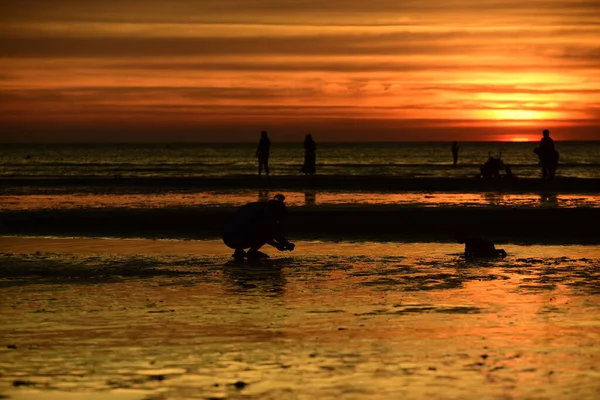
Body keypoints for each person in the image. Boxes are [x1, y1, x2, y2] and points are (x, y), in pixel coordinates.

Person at [222, 194, 295, 261]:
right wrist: (283, 244)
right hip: (238, 237)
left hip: (227, 236)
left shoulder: (257, 207)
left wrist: (280, 245)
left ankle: (239, 251)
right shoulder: (267, 214)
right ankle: (252, 253)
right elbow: (270, 234)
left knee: (250, 227)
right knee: (261, 232)